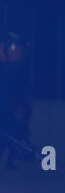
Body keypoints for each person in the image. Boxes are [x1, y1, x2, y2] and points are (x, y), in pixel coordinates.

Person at [0, 33, 34, 170]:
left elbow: (22, 93)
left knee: (13, 133)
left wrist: (22, 108)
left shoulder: (18, 70)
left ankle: (11, 157)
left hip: (11, 108)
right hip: (7, 107)